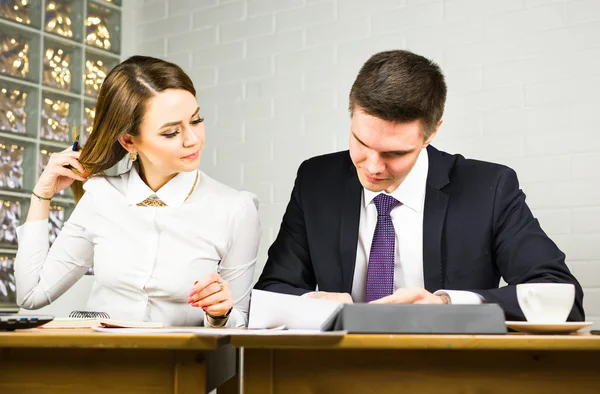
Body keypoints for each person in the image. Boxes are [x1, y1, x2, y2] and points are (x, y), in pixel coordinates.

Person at [254, 50, 584, 321]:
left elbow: (561, 297)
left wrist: (446, 306)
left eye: (394, 153)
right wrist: (312, 301)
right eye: (360, 142)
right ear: (351, 113)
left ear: (433, 132)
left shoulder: (489, 188)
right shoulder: (316, 181)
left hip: (451, 373)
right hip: (338, 371)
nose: (372, 166)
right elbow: (271, 291)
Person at [15, 56, 260, 327]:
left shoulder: (235, 209)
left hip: (184, 365)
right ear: (129, 141)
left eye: (196, 120)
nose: (192, 139)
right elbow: (31, 295)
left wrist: (220, 313)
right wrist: (42, 195)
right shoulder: (101, 197)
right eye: (171, 133)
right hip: (101, 361)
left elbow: (241, 322)